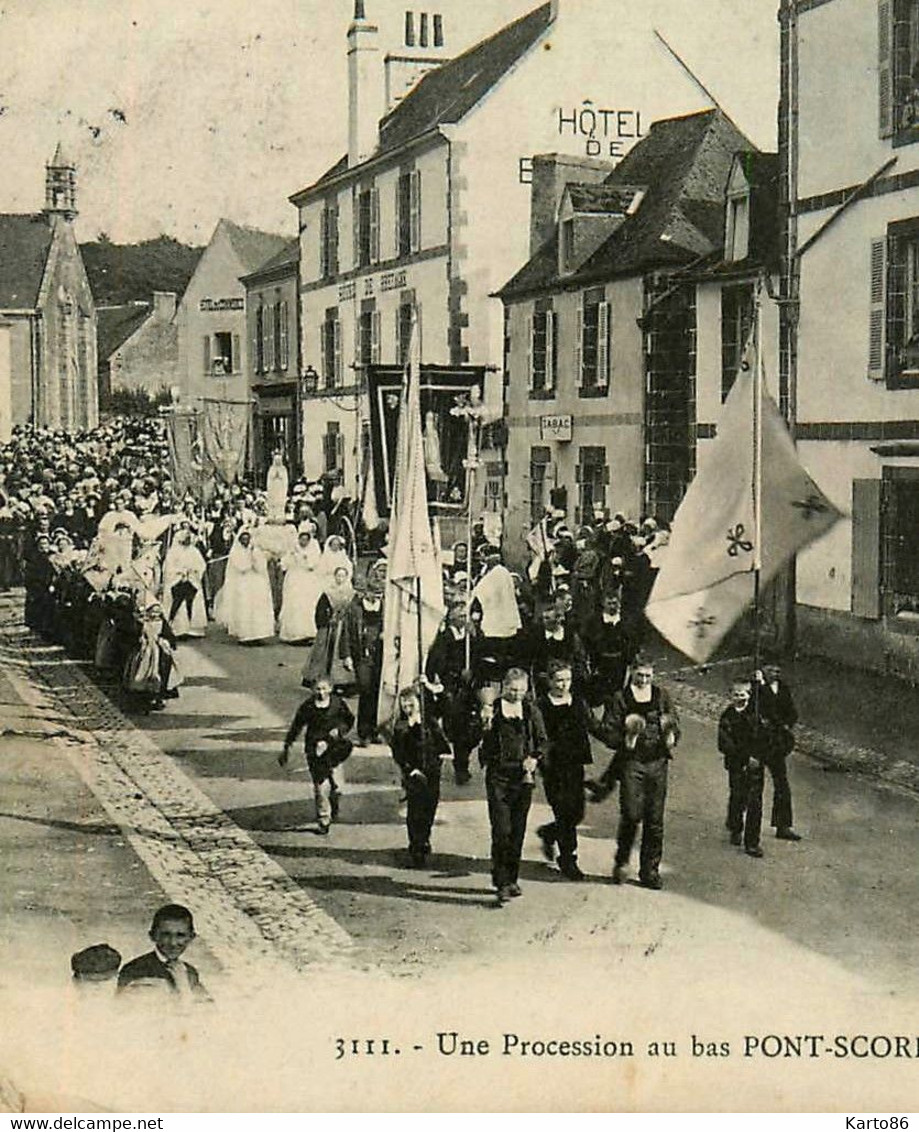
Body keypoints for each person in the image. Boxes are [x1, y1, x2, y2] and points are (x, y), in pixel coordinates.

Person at [470, 667, 548, 905]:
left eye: (522, 690)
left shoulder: (530, 710)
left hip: (523, 778)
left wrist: (534, 758)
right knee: (501, 830)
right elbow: (472, 737)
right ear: (503, 687)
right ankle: (501, 882)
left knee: (517, 830)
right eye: (513, 690)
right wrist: (482, 723)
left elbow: (543, 741)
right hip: (499, 776)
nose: (517, 695)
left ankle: (512, 879)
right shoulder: (492, 710)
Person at [600, 657, 680, 890]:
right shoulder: (620, 698)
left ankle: (650, 870)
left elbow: (674, 723)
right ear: (631, 673)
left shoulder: (661, 696)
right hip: (632, 764)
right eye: (639, 676)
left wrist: (671, 735)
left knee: (655, 820)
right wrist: (627, 738)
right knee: (632, 814)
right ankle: (622, 861)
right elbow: (609, 733)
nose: (644, 680)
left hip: (657, 763)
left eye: (647, 676)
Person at [535, 660, 601, 881]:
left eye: (568, 680)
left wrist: (619, 738)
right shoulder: (541, 706)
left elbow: (594, 726)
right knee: (564, 812)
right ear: (550, 681)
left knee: (577, 813)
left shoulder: (579, 703)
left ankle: (549, 832)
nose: (564, 685)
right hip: (553, 766)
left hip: (575, 764)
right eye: (559, 680)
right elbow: (536, 735)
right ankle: (568, 859)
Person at [280, 676, 354, 834]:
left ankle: (334, 802)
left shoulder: (337, 703)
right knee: (320, 785)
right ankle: (323, 819)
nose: (321, 692)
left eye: (324, 689)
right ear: (313, 690)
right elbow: (296, 726)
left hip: (334, 749)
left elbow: (349, 719)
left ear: (330, 689)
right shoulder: (308, 707)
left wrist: (339, 731)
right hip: (315, 750)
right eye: (318, 689)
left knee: (337, 785)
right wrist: (287, 746)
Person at [389, 683, 451, 867]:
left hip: (432, 770)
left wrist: (442, 754)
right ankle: (416, 844)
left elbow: (441, 739)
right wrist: (409, 770)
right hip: (413, 772)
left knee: (430, 805)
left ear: (419, 703)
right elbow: (398, 753)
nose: (408, 709)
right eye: (404, 706)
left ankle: (424, 837)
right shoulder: (401, 727)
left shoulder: (428, 721)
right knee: (415, 809)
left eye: (411, 705)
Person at [117, 904, 209, 1000]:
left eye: (180, 935)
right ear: (152, 936)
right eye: (166, 935)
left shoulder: (189, 972)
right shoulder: (134, 970)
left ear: (191, 937)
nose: (173, 943)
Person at [718, 679, 766, 858]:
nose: (740, 698)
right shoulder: (727, 717)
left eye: (744, 694)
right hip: (737, 765)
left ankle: (752, 842)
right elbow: (724, 744)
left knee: (755, 802)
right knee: (738, 797)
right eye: (736, 695)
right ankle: (735, 826)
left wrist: (758, 756)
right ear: (731, 696)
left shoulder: (756, 715)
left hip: (755, 765)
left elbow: (764, 738)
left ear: (750, 695)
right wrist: (744, 756)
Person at [755, 660, 802, 841]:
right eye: (771, 669)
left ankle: (783, 826)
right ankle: (740, 826)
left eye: (777, 670)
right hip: (759, 744)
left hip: (775, 744)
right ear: (763, 669)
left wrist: (786, 724)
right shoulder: (756, 689)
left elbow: (791, 712)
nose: (775, 673)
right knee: (754, 787)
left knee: (782, 784)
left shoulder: (782, 688)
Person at [302, 564, 358, 691]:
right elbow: (320, 610)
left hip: (344, 628)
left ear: (347, 577)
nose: (340, 578)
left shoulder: (352, 594)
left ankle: (342, 683)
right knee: (322, 653)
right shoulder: (328, 592)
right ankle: (319, 679)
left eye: (343, 576)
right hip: (329, 627)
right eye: (338, 576)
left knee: (342, 652)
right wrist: (325, 621)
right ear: (334, 577)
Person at [216, 529, 275, 643]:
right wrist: (250, 562)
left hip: (256, 583)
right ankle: (245, 634)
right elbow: (241, 567)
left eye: (247, 538)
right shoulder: (236, 552)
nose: (246, 541)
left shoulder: (256, 551)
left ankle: (258, 634)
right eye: (243, 539)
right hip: (243, 583)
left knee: (257, 607)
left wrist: (254, 557)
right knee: (245, 608)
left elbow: (261, 567)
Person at [278, 525, 323, 643]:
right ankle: (293, 634)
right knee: (294, 604)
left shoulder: (314, 549)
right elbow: (284, 564)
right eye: (301, 539)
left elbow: (314, 564)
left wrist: (305, 557)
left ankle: (308, 632)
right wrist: (291, 557)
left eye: (306, 539)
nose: (303, 542)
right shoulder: (293, 549)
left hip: (308, 580)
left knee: (307, 604)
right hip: (294, 578)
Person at [162, 525, 207, 639]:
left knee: (193, 602)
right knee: (178, 604)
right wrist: (180, 572)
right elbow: (168, 568)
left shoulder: (194, 551)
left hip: (192, 580)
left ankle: (194, 629)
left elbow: (201, 565)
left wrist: (193, 571)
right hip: (177, 580)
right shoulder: (172, 552)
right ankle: (177, 629)